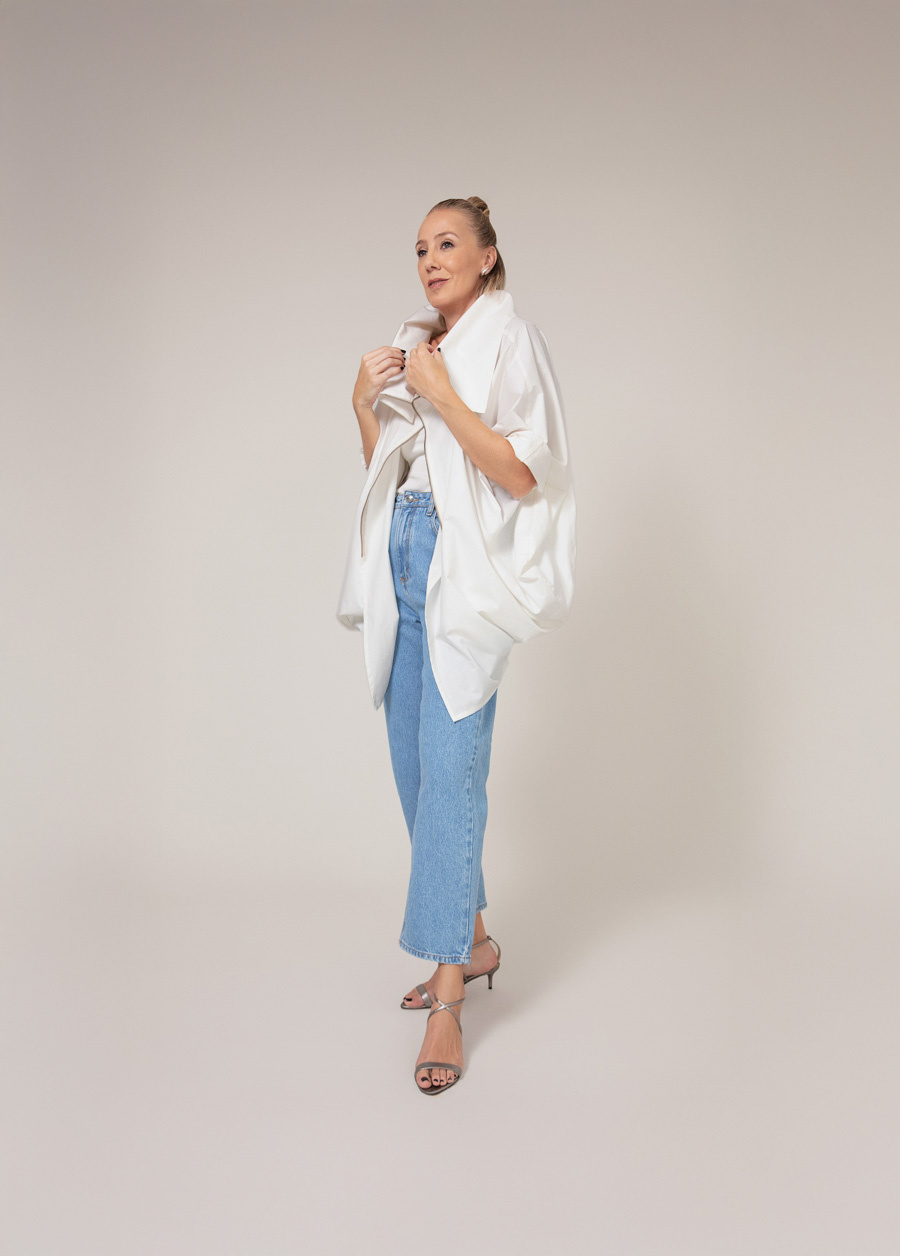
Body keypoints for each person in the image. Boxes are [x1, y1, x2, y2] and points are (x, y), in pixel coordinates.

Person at [337, 196, 576, 1095]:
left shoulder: (511, 342)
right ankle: (471, 939)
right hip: (403, 552)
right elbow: (390, 467)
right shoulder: (420, 345)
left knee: (452, 769)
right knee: (415, 767)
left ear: (487, 257)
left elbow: (522, 472)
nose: (431, 260)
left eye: (447, 244)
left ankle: (448, 995)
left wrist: (442, 396)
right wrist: (364, 402)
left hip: (461, 568)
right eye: (420, 249)